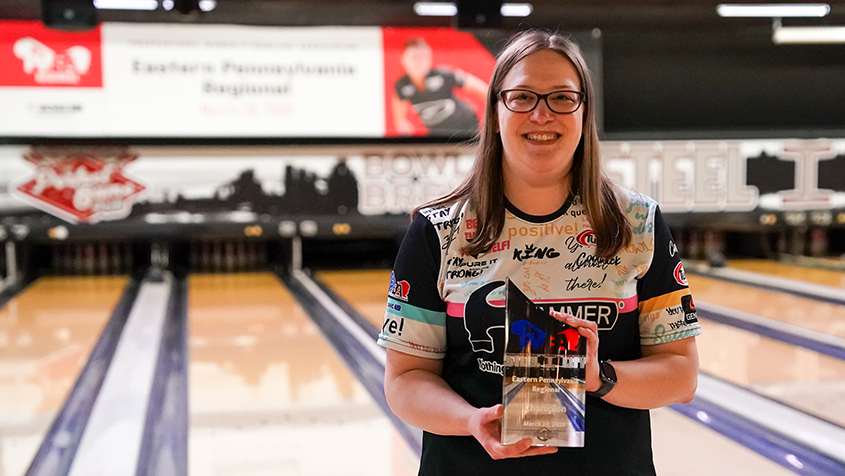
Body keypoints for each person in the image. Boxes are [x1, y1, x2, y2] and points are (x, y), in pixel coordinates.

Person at [378, 29, 701, 476]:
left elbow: (682, 375)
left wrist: (599, 376)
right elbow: (404, 381)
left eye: (562, 98)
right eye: (522, 97)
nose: (542, 114)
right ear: (494, 113)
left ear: (585, 112)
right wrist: (470, 421)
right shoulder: (438, 232)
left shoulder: (637, 223)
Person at [392, 37, 488, 137]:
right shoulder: (402, 85)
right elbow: (399, 102)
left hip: (465, 126)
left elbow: (481, 88)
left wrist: (492, 113)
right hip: (438, 133)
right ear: (403, 59)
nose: (418, 62)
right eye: (414, 57)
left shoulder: (443, 75)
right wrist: (400, 121)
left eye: (422, 56)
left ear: (429, 58)